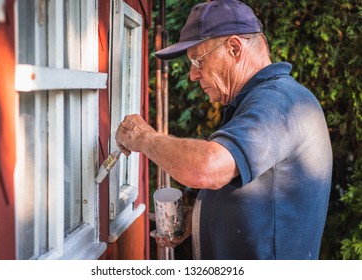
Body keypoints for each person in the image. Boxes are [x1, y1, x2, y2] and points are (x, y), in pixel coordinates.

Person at [115, 0, 333, 260]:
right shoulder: (261, 99)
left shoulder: (276, 101)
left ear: (234, 48)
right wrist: (199, 217)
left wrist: (144, 137)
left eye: (197, 61)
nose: (193, 76)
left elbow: (207, 168)